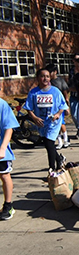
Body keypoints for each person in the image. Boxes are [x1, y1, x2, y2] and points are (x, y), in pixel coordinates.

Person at [23, 68, 68, 173]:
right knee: (48, 144)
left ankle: (52, 169)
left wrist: (58, 114)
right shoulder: (33, 92)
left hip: (53, 123)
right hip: (41, 123)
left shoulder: (55, 91)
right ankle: (59, 159)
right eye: (43, 76)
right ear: (38, 78)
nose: (45, 78)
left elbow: (62, 105)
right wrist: (34, 118)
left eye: (47, 76)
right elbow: (28, 108)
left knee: (49, 143)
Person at [0, 92, 19, 220]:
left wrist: (2, 148)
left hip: (1, 151)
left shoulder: (1, 104)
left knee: (4, 175)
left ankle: (8, 205)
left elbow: (9, 128)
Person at [46, 64, 71, 149]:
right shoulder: (47, 83)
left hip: (60, 106)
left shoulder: (60, 81)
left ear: (55, 72)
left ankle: (66, 140)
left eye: (50, 72)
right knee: (54, 124)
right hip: (51, 106)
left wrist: (67, 106)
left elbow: (65, 93)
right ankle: (59, 141)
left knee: (61, 123)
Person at [68, 53, 79, 140]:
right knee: (74, 115)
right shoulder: (71, 70)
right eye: (75, 60)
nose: (77, 62)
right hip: (73, 95)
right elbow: (70, 82)